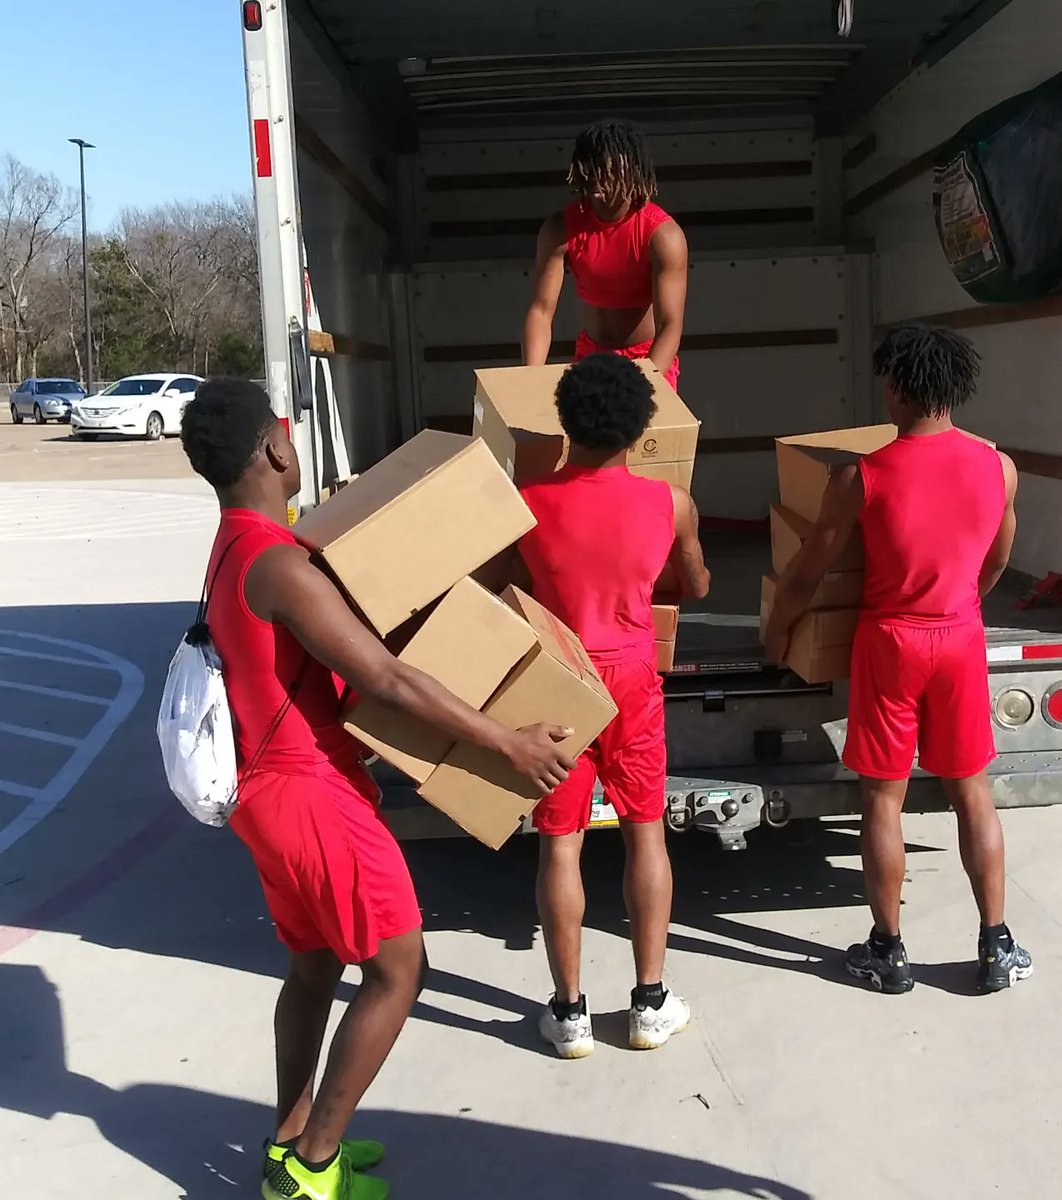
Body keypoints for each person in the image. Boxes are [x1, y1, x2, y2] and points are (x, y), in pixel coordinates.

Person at [181, 379, 577, 1200]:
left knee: (315, 966)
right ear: (275, 449)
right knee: (400, 971)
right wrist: (506, 741)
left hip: (267, 794)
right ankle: (315, 1168)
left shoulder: (231, 546)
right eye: (287, 434)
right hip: (309, 791)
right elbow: (389, 678)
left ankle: (288, 1145)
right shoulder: (277, 563)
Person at [763, 326, 1033, 996]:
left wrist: (777, 629)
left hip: (891, 642)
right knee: (972, 791)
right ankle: (995, 944)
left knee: (883, 797)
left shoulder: (861, 473)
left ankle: (889, 950)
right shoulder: (998, 467)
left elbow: (809, 569)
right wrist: (961, 602)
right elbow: (997, 560)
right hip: (959, 637)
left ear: (899, 387)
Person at [510, 353, 710, 1057]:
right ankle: (650, 1003)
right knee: (645, 831)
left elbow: (502, 587)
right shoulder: (669, 504)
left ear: (565, 422)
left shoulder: (527, 501)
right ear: (640, 428)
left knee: (560, 846)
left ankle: (569, 1015)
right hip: (632, 674)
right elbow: (695, 585)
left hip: (560, 676)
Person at [522, 118, 688, 390]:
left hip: (648, 361)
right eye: (591, 169)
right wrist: (529, 379)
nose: (599, 179)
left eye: (610, 170)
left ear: (632, 170)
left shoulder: (663, 236)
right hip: (591, 358)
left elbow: (670, 325)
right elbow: (540, 311)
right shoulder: (559, 230)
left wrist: (643, 384)